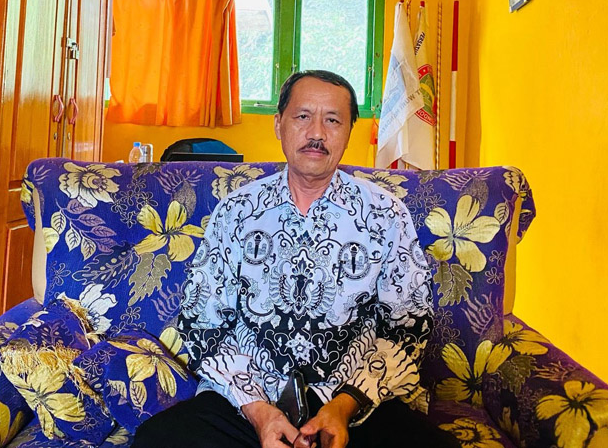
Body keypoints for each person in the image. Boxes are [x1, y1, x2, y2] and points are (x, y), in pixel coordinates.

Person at [132, 71, 459, 448]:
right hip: (245, 403)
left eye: (333, 120)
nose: (317, 132)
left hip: (353, 405)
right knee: (157, 441)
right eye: (303, 116)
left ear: (348, 132)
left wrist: (342, 407)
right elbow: (202, 321)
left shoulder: (386, 215)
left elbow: (407, 326)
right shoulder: (237, 211)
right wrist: (260, 412)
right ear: (278, 124)